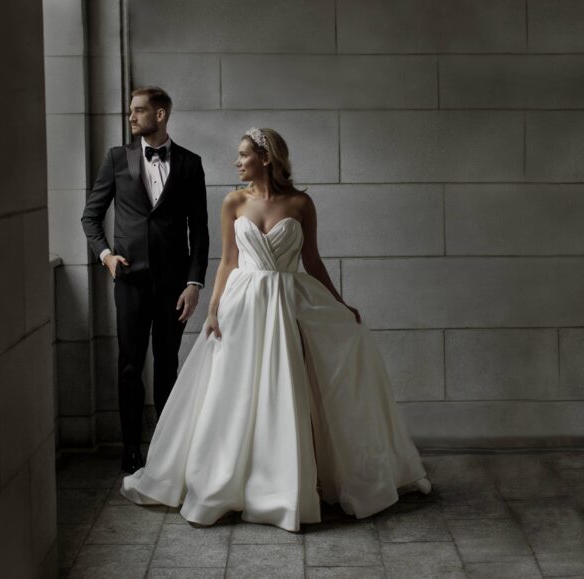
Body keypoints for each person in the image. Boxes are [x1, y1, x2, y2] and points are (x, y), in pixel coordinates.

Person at [120, 127, 431, 531]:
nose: (236, 162)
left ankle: (291, 484)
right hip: (244, 303)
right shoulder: (234, 201)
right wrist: (213, 310)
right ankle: (230, 482)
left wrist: (339, 303)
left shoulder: (301, 203)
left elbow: (314, 262)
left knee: (288, 388)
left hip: (288, 302)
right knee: (234, 393)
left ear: (266, 158)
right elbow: (229, 262)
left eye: (243, 154)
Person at [81, 87, 209, 474]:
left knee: (167, 364)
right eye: (131, 111)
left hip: (173, 286)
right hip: (130, 280)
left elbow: (199, 231)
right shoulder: (117, 158)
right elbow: (90, 216)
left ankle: (166, 449)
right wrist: (106, 256)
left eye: (139, 111)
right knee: (129, 365)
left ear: (161, 114)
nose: (131, 117)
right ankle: (131, 448)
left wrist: (194, 284)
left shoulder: (190, 163)